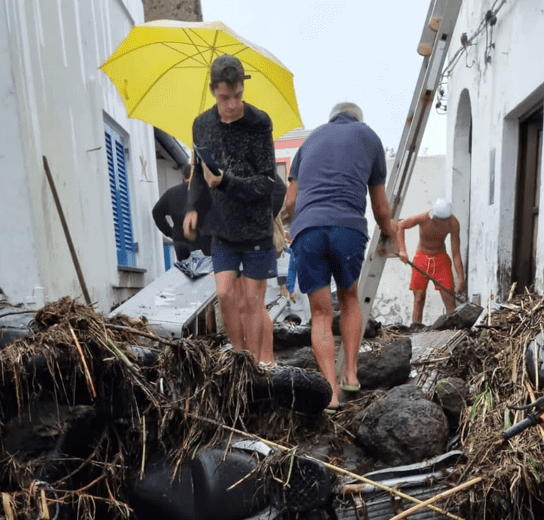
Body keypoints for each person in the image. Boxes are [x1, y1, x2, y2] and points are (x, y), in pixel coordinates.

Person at [285, 101, 394, 411]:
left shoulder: (308, 142)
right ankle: (350, 374)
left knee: (320, 312)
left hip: (308, 229)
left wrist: (298, 224)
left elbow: (290, 199)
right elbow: (380, 207)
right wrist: (391, 231)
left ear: (331, 118)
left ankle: (330, 394)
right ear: (358, 118)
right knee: (348, 298)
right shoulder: (368, 136)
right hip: (348, 228)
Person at [183, 54, 278, 364]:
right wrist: (192, 207)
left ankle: (255, 362)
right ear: (214, 91)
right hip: (222, 227)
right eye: (226, 97)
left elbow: (266, 183)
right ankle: (239, 360)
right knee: (225, 295)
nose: (233, 104)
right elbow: (198, 170)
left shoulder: (259, 123)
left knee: (252, 301)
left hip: (256, 226)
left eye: (238, 96)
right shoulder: (201, 124)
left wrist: (226, 183)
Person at [395, 198, 464, 325]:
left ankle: (453, 327)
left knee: (449, 297)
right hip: (422, 258)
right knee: (419, 297)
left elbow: (456, 253)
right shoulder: (424, 218)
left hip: (441, 259)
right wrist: (402, 251)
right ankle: (415, 328)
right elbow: (401, 225)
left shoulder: (453, 223)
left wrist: (461, 278)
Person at [151, 164, 211, 261]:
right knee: (204, 273)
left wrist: (170, 232)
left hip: (181, 241)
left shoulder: (171, 193)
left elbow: (156, 212)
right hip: (202, 241)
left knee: (186, 272)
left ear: (183, 176)